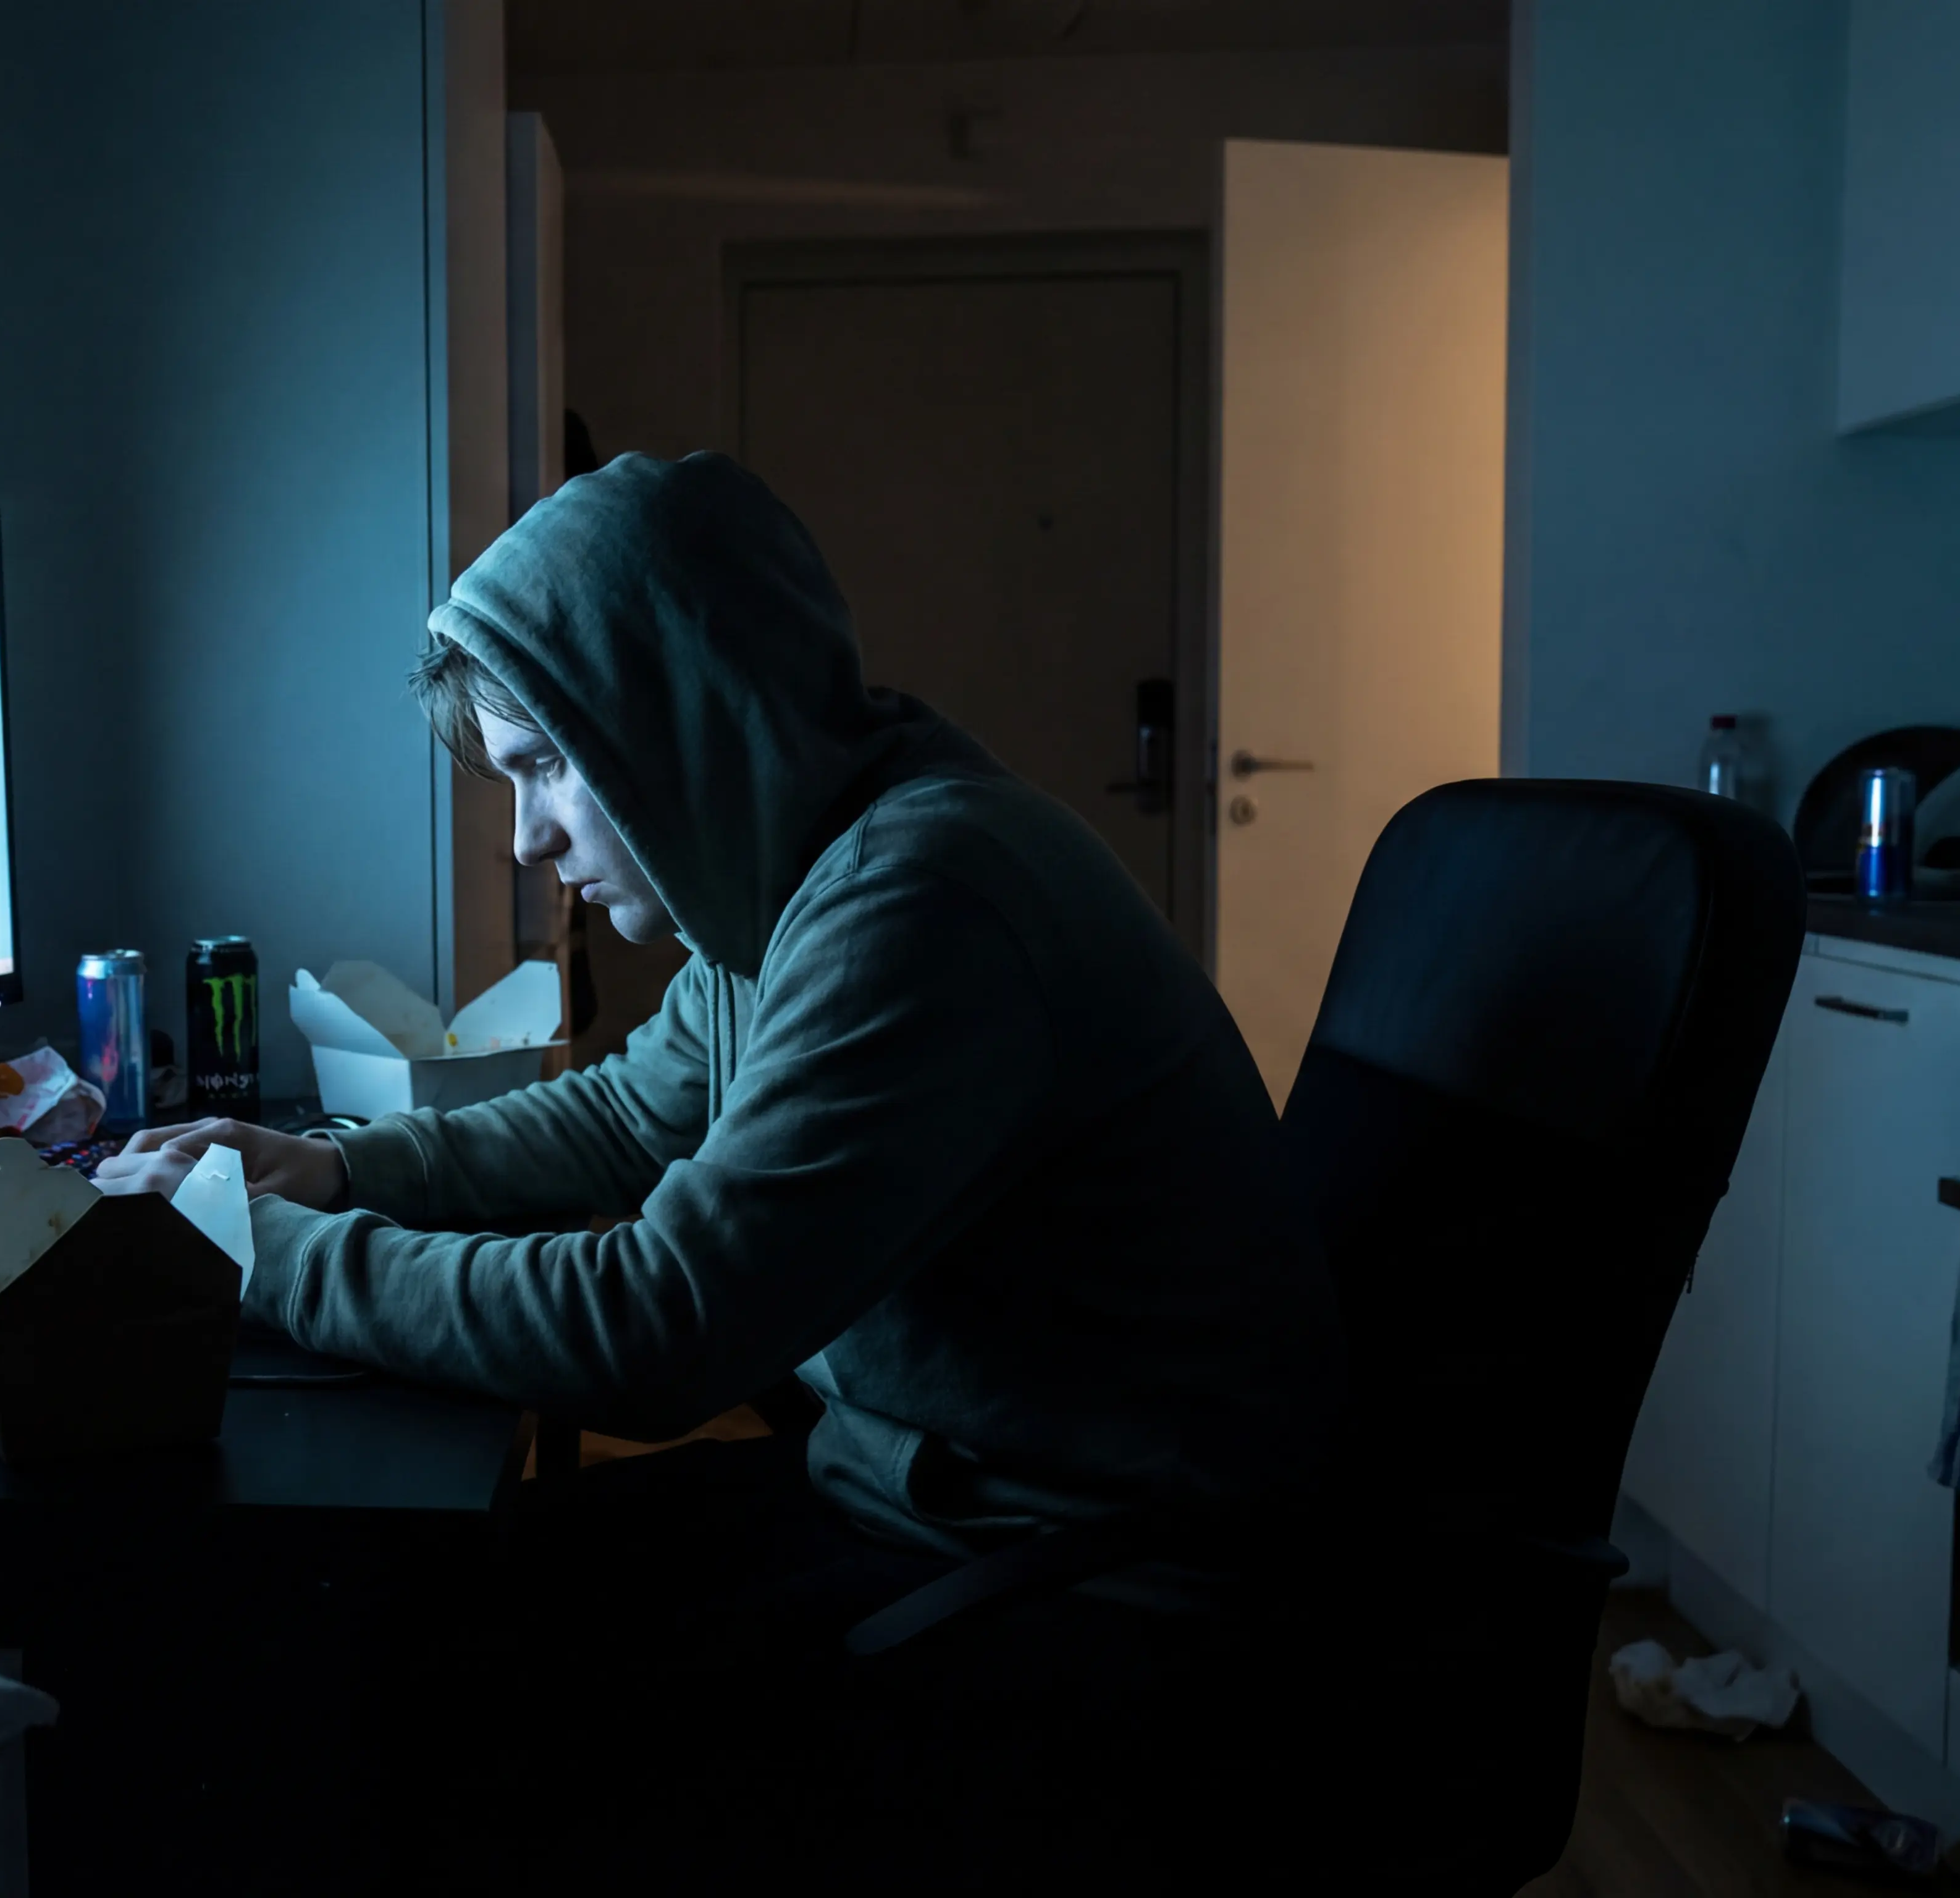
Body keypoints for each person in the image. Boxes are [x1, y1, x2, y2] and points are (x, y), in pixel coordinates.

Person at [96, 452, 1339, 1887]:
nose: (528, 836)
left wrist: (258, 1256)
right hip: (926, 1498)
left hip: (1081, 1584)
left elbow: (660, 1325)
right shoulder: (797, 875)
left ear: (676, 717)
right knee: (408, 1610)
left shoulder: (917, 902)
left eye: (547, 766)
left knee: (413, 1683)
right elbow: (629, 1117)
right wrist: (333, 1174)